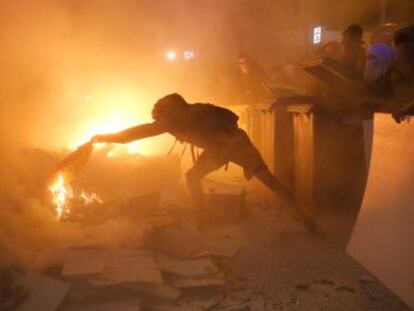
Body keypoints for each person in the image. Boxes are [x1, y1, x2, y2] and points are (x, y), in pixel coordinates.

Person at [91, 93, 316, 231]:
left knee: (192, 177)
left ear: (164, 112)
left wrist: (105, 137)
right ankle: (307, 219)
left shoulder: (171, 119)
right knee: (269, 180)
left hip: (221, 148)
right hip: (238, 142)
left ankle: (201, 220)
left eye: (159, 116)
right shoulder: (193, 109)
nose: (158, 121)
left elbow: (136, 133)